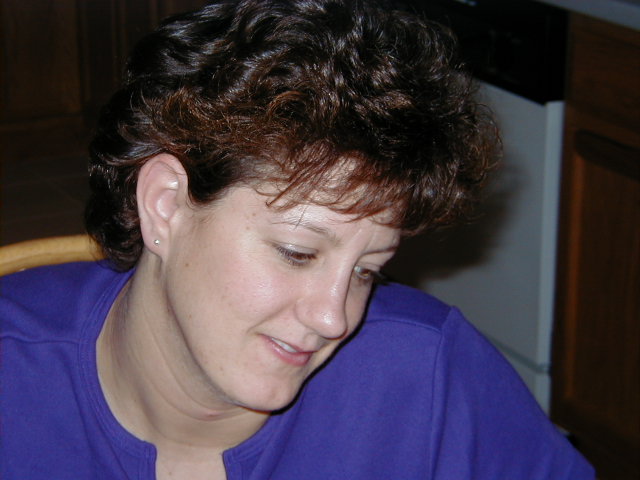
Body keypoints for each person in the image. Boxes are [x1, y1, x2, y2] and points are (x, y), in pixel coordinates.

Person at [0, 0, 594, 479]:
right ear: (165, 204)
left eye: (367, 271)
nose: (335, 318)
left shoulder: (431, 376)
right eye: (298, 252)